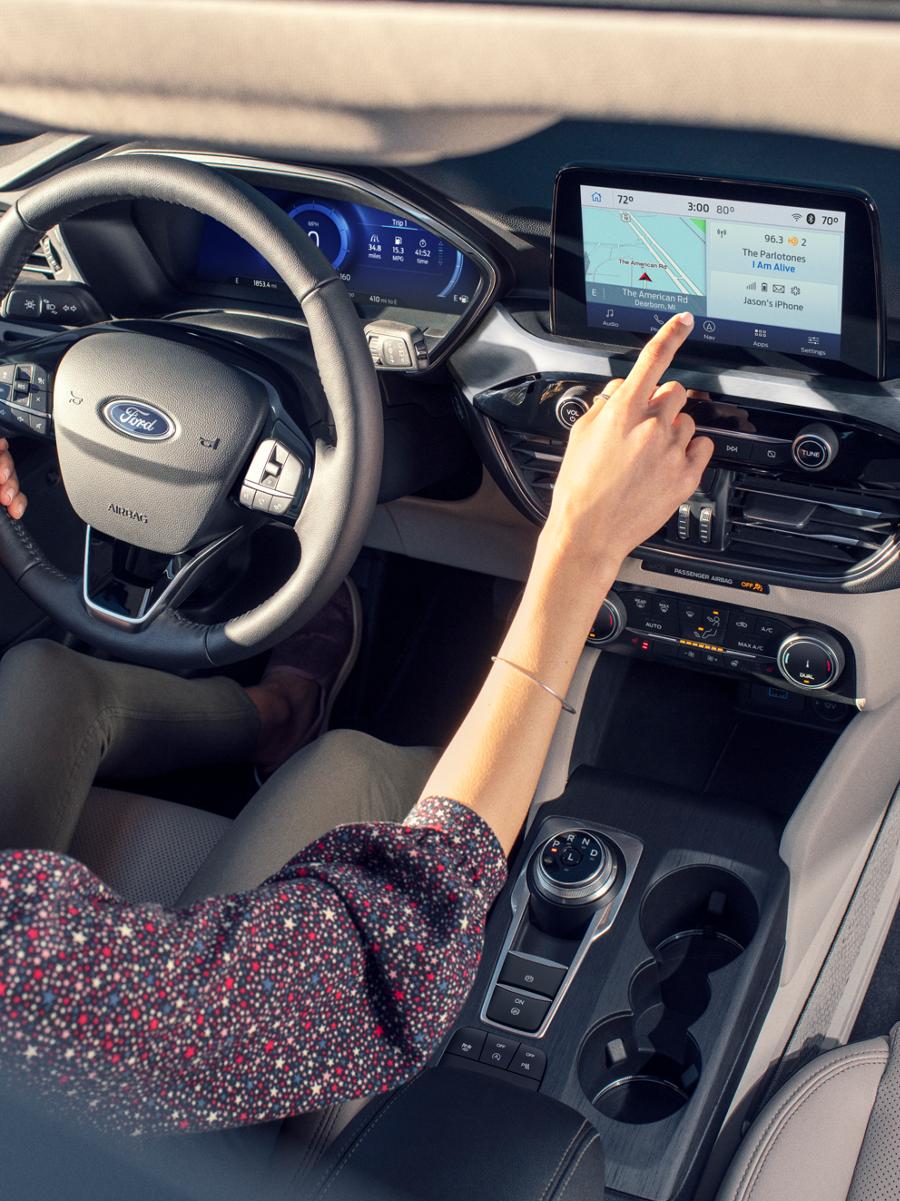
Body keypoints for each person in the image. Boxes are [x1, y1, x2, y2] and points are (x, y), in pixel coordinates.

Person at [0, 312, 712, 1136]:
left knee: (45, 675)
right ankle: (502, 791)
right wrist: (581, 547)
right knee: (350, 765)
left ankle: (275, 714)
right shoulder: (41, 998)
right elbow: (387, 950)